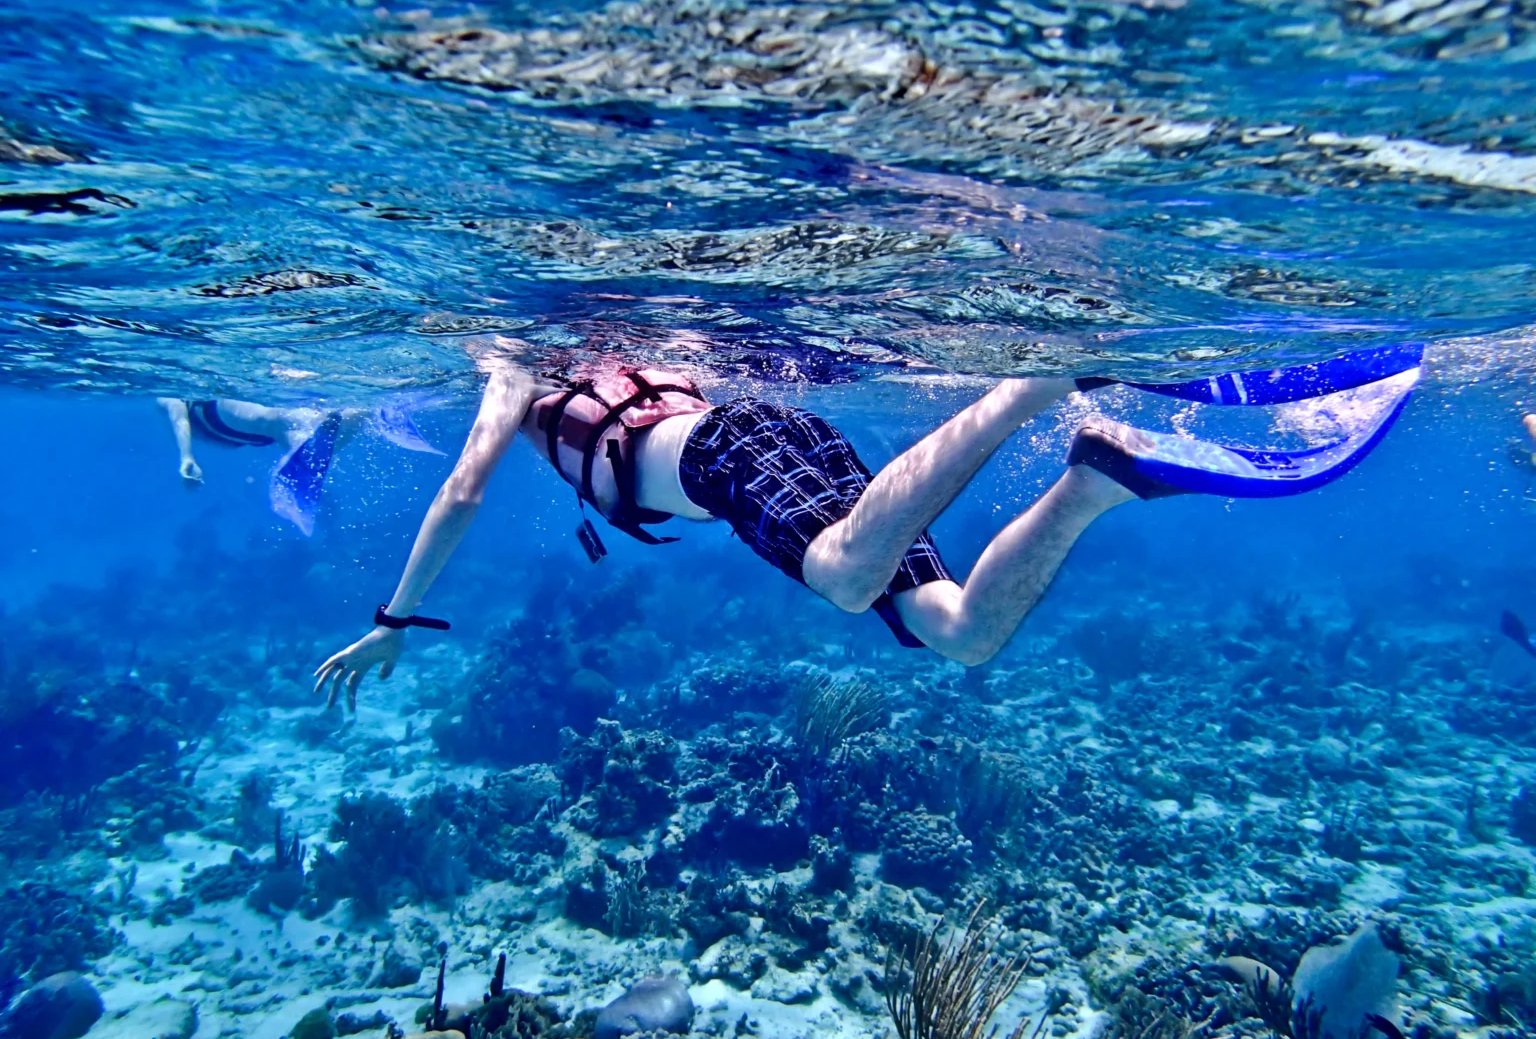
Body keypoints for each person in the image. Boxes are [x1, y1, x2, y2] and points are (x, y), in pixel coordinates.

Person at [314, 342, 1422, 709]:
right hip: (772, 439)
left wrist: (397, 615)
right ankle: (1098, 477)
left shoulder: (510, 363)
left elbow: (460, 490)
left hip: (727, 458)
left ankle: (1039, 382)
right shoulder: (618, 345)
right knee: (964, 632)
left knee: (847, 577)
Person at [160, 398, 439, 534]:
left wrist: (187, 456)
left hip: (214, 418)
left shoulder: (170, 390)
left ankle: (342, 417)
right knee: (288, 424)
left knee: (281, 423)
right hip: (228, 421)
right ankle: (362, 407)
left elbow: (177, 415)